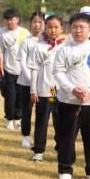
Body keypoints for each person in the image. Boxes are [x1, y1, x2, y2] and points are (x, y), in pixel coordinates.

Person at [52, 13, 90, 179]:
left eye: (82, 27)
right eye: (75, 27)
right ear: (70, 28)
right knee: (66, 137)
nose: (78, 31)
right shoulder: (63, 49)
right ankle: (65, 169)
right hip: (68, 99)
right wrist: (72, 89)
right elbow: (58, 72)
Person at [28, 14, 67, 162]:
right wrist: (33, 90)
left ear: (62, 28)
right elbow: (33, 69)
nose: (53, 30)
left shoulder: (65, 47)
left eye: (56, 27)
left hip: (59, 91)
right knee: (42, 121)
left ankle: (61, 148)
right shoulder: (39, 46)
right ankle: (38, 150)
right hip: (45, 89)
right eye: (50, 27)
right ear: (45, 28)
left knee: (60, 121)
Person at [0, 8, 30, 130]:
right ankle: (9, 119)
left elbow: (30, 51)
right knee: (10, 96)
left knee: (20, 96)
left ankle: (17, 118)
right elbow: (0, 51)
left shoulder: (24, 32)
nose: (9, 22)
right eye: (7, 20)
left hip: (23, 71)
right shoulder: (1, 33)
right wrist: (1, 68)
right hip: (8, 70)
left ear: (17, 19)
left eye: (12, 19)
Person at [17, 12, 44, 148]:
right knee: (26, 111)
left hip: (46, 85)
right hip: (26, 83)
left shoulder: (49, 43)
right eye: (34, 22)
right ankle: (26, 136)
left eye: (40, 22)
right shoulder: (26, 42)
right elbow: (22, 63)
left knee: (45, 112)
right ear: (30, 24)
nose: (37, 25)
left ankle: (41, 139)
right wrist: (32, 81)